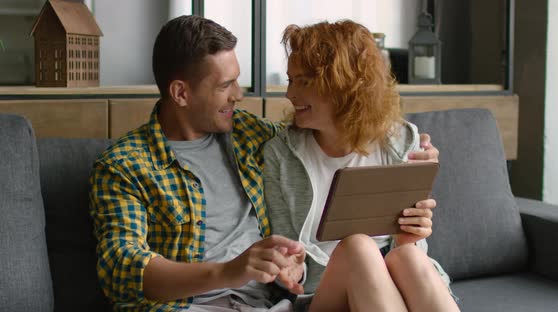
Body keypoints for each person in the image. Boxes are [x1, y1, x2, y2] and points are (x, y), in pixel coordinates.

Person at [89, 15, 440, 311]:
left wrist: (412, 157)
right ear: (181, 93)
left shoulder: (252, 136)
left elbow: (326, 131)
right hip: (191, 306)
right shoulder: (124, 166)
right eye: (225, 85)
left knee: (387, 254)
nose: (239, 95)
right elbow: (122, 269)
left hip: (271, 306)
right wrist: (231, 270)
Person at [263, 20, 460, 311]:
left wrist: (411, 238)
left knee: (408, 256)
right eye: (291, 80)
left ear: (343, 84)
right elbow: (287, 259)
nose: (290, 94)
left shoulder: (403, 141)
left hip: (392, 289)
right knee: (358, 246)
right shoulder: (280, 155)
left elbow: (409, 250)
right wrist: (291, 269)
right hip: (321, 296)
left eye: (303, 81)